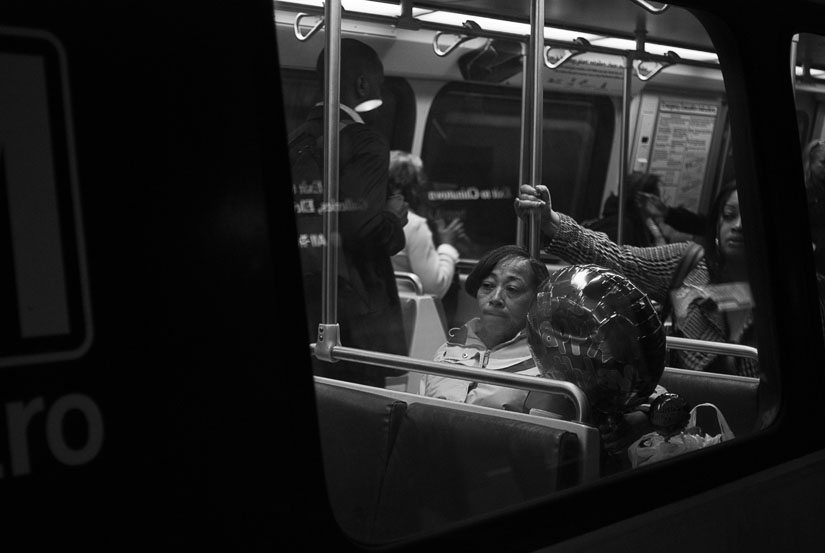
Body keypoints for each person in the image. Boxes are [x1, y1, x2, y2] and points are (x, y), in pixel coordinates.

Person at [516, 181, 760, 378]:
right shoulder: (689, 263)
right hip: (688, 403)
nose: (737, 226)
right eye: (729, 215)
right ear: (717, 222)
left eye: (748, 217)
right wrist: (552, 222)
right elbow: (619, 260)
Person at [289, 38, 408, 387]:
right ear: (362, 84)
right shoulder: (364, 140)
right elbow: (361, 229)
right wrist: (393, 217)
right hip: (352, 314)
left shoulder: (295, 140)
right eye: (379, 84)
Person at [423, 245, 553, 412]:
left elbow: (543, 435)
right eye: (488, 285)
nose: (496, 298)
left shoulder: (546, 366)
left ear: (537, 299)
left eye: (512, 289)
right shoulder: (447, 350)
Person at [389, 150, 466, 304]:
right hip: (408, 314)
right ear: (414, 187)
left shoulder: (372, 218)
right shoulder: (415, 225)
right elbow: (434, 288)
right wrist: (447, 246)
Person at [584, 171, 706, 247]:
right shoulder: (621, 228)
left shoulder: (645, 226)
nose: (659, 203)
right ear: (641, 201)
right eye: (654, 200)